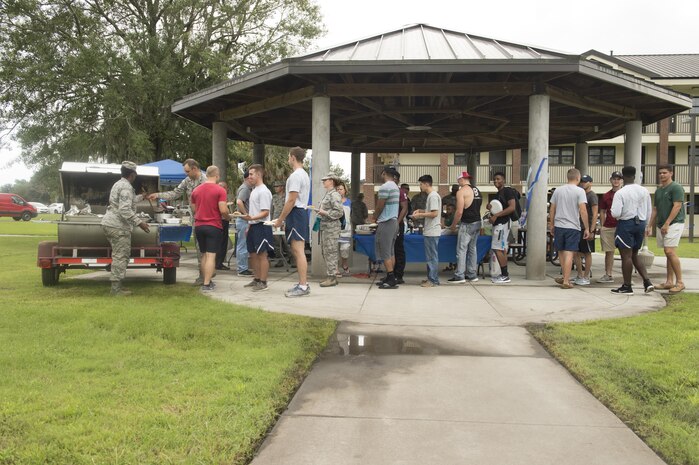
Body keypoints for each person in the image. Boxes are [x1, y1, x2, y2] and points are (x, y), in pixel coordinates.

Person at [147, 159, 206, 284]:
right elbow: (175, 193)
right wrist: (158, 195)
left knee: (206, 249)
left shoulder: (205, 181)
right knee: (199, 248)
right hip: (196, 218)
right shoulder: (187, 181)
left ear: (195, 168)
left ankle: (207, 275)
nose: (186, 174)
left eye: (187, 171)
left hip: (207, 218)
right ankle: (203, 275)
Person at [101, 161, 150, 296]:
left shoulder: (119, 184)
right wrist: (140, 223)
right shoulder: (126, 187)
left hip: (110, 223)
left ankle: (116, 286)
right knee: (121, 256)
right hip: (118, 226)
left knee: (120, 255)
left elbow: (129, 201)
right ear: (133, 174)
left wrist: (142, 197)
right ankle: (115, 290)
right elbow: (125, 209)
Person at [273, 147, 311, 298]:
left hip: (296, 214)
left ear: (293, 158)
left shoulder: (296, 176)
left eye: (289, 157)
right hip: (298, 214)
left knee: (298, 251)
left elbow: (291, 199)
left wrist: (280, 219)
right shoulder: (304, 174)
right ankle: (302, 283)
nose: (288, 159)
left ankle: (303, 286)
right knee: (297, 250)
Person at [609, 165, 654, 295]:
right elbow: (649, 210)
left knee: (626, 256)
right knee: (634, 254)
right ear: (635, 176)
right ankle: (647, 282)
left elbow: (616, 213)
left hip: (626, 224)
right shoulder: (644, 191)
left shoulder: (620, 193)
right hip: (640, 223)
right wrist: (647, 225)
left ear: (623, 177)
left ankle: (627, 286)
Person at [549, 168, 590, 289]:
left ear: (567, 178)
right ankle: (566, 280)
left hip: (559, 225)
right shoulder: (580, 191)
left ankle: (564, 276)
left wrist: (552, 224)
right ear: (578, 178)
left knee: (561, 252)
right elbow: (582, 210)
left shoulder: (558, 190)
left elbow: (552, 209)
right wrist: (587, 228)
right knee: (569, 253)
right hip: (573, 226)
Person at [190, 166, 228, 292]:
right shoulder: (220, 190)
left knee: (204, 255)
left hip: (199, 226)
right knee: (211, 256)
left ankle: (205, 279)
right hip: (213, 225)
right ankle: (206, 284)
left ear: (206, 175)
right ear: (217, 176)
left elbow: (194, 209)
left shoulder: (196, 190)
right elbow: (223, 210)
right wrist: (228, 216)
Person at [649, 164, 685, 294]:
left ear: (671, 173)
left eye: (664, 173)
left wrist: (667, 223)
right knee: (667, 252)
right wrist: (649, 225)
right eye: (660, 173)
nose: (662, 175)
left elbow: (677, 206)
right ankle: (669, 281)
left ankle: (680, 282)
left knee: (669, 251)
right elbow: (655, 209)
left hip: (674, 223)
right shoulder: (658, 190)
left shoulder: (676, 187)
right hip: (661, 224)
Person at [240, 164, 275, 292]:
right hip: (254, 226)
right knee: (252, 254)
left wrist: (251, 218)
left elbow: (265, 212)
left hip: (262, 226)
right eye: (249, 174)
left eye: (251, 174)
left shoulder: (264, 191)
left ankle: (263, 281)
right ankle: (256, 278)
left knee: (262, 254)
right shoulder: (254, 190)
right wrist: (250, 224)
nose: (249, 177)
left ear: (259, 174)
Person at [449, 171, 482, 283]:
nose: (458, 183)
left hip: (467, 223)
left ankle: (459, 275)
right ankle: (472, 274)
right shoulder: (477, 190)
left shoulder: (461, 191)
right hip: (477, 221)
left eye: (458, 181)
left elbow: (459, 212)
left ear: (461, 180)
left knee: (462, 250)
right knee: (473, 249)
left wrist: (453, 225)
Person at [487, 172, 517, 284]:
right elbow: (499, 208)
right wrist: (490, 208)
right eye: (494, 179)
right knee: (501, 248)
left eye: (498, 179)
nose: (496, 181)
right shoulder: (498, 193)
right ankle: (504, 274)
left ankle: (505, 275)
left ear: (503, 180)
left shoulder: (507, 191)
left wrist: (496, 216)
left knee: (497, 248)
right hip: (499, 224)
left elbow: (512, 208)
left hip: (502, 224)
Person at [412, 175, 441, 287]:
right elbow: (431, 211)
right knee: (430, 256)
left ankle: (433, 280)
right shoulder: (432, 196)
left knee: (432, 256)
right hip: (430, 230)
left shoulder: (433, 196)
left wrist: (420, 215)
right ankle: (431, 278)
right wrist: (420, 210)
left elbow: (434, 213)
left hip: (432, 231)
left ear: (426, 184)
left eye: (421, 184)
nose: (420, 186)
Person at [374, 167, 401, 289]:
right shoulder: (395, 187)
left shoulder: (385, 187)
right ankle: (391, 275)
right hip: (394, 221)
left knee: (385, 251)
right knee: (391, 251)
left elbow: (380, 206)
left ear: (384, 173)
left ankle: (390, 279)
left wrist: (374, 217)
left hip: (386, 221)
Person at [317, 174, 344, 287]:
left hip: (331, 228)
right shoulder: (328, 194)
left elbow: (339, 212)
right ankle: (330, 276)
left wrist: (325, 213)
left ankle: (332, 277)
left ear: (331, 181)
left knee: (331, 252)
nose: (323, 181)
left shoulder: (334, 195)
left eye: (325, 180)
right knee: (326, 252)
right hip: (326, 227)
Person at [597, 171, 623, 283]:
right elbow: (602, 211)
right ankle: (608, 274)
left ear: (622, 181)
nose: (616, 181)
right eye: (614, 179)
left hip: (622, 226)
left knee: (626, 252)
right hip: (608, 226)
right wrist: (602, 225)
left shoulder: (625, 194)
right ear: (611, 180)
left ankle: (627, 276)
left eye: (618, 179)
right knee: (609, 251)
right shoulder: (606, 195)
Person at [572, 175, 598, 285]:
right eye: (582, 181)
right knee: (576, 252)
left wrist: (591, 230)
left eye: (586, 182)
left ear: (590, 183)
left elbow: (595, 213)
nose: (583, 183)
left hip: (587, 228)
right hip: (578, 226)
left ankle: (586, 276)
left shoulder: (592, 196)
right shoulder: (580, 194)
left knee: (587, 252)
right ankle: (579, 274)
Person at [235, 171, 254, 276]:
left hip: (244, 220)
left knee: (243, 244)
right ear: (247, 178)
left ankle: (243, 267)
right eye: (251, 176)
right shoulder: (245, 188)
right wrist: (245, 214)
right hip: (243, 221)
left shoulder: (247, 188)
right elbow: (239, 201)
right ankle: (242, 269)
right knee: (242, 244)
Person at [393, 175, 410, 284]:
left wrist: (397, 223)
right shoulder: (388, 191)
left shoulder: (401, 192)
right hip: (389, 223)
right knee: (391, 250)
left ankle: (399, 275)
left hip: (398, 224)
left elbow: (405, 209)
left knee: (398, 249)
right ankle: (391, 274)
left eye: (394, 179)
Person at [271, 179, 289, 267]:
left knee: (286, 241)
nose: (275, 188)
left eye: (277, 186)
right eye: (274, 187)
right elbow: (272, 210)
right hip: (275, 221)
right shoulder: (273, 197)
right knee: (277, 242)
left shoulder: (287, 197)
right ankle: (280, 259)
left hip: (285, 221)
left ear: (282, 187)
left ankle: (292, 258)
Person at [215, 181, 232, 271]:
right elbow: (223, 211)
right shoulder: (220, 196)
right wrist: (228, 217)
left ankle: (218, 262)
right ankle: (218, 263)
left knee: (221, 242)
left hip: (220, 221)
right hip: (221, 221)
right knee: (221, 242)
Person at [337, 181, 352, 276]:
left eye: (340, 189)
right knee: (333, 250)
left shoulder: (349, 202)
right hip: (334, 229)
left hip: (346, 229)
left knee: (345, 249)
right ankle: (335, 269)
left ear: (345, 191)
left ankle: (344, 263)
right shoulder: (333, 201)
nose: (339, 191)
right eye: (337, 189)